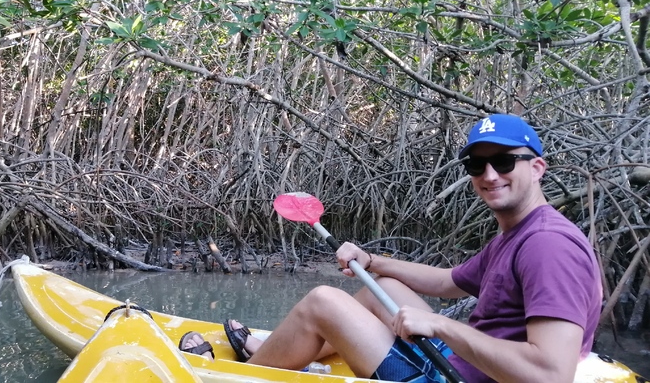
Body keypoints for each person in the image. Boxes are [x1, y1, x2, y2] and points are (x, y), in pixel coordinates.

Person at [189, 114, 602, 382]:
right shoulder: (521, 231)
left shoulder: (548, 246)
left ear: (538, 167)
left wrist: (442, 327)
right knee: (380, 287)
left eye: (505, 161)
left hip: (448, 378)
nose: (490, 175)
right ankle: (274, 349)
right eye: (477, 165)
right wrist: (372, 261)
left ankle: (239, 375)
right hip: (468, 364)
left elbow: (551, 375)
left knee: (323, 302)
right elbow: (448, 282)